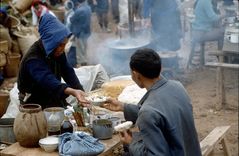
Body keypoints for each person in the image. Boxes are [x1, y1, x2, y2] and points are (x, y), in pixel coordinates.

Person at [103, 48, 202, 156]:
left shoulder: (148, 111)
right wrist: (123, 107)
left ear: (136, 75)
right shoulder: (178, 87)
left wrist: (131, 143)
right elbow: (160, 114)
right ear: (160, 68)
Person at [17, 13, 89, 109]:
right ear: (50, 41)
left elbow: (68, 72)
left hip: (51, 94)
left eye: (64, 45)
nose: (62, 49)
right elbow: (47, 80)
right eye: (60, 45)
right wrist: (73, 92)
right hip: (33, 102)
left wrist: (80, 91)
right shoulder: (33, 58)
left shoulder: (57, 51)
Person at [188, 0, 226, 67]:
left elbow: (208, 17)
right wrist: (223, 15)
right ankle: (221, 58)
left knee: (221, 30)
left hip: (199, 30)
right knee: (223, 33)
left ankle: (221, 57)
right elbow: (213, 17)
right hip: (201, 32)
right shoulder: (206, 1)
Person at [67, 0, 92, 67]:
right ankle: (84, 61)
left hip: (80, 33)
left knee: (80, 51)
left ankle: (83, 65)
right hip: (86, 32)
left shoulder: (79, 11)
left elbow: (71, 19)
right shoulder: (88, 8)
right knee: (84, 48)